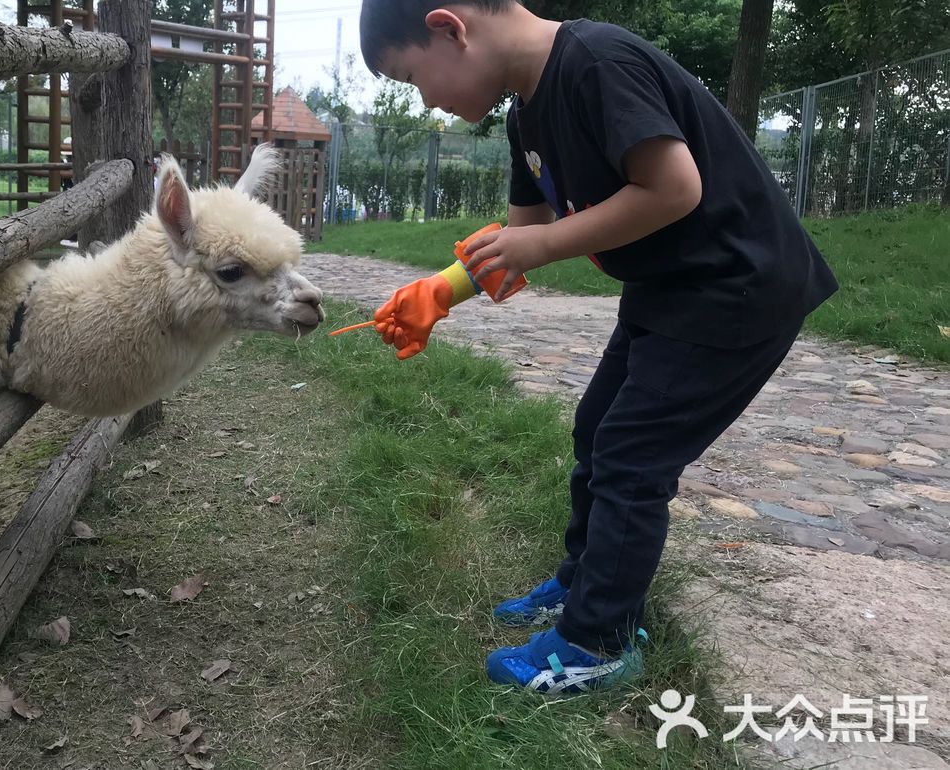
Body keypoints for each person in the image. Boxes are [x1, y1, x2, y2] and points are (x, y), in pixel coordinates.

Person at [358, 0, 839, 695]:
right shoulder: (526, 111)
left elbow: (675, 188)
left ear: (449, 28)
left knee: (632, 455)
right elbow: (517, 240)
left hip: (739, 284)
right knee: (597, 428)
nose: (426, 101)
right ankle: (585, 584)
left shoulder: (596, 62)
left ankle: (597, 641)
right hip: (672, 286)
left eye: (412, 80)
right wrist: (437, 295)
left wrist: (545, 242)